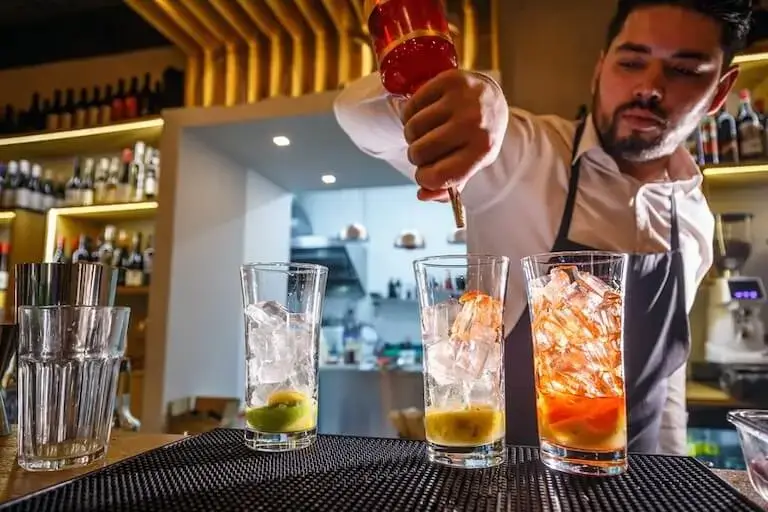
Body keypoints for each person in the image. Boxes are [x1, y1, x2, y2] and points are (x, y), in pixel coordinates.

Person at [333, 0, 753, 455]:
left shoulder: (693, 215)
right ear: (600, 66)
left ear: (719, 91)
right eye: (631, 62)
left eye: (685, 71)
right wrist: (482, 98)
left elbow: (665, 381)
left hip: (640, 489)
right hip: (512, 488)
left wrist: (671, 476)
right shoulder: (527, 157)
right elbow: (358, 116)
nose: (648, 88)